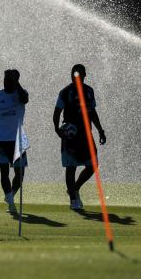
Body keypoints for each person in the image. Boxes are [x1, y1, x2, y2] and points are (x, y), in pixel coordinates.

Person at [53, 64, 107, 210]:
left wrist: (100, 130)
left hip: (86, 135)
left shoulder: (89, 91)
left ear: (84, 75)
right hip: (70, 136)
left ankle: (75, 188)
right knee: (71, 168)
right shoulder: (65, 92)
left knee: (93, 165)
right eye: (73, 74)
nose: (75, 76)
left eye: (78, 74)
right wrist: (57, 129)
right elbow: (57, 112)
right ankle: (73, 200)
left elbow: (92, 112)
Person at [0, 69, 29, 214]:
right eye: (5, 79)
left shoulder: (21, 95)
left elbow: (25, 99)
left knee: (20, 174)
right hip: (1, 140)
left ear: (16, 81)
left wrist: (16, 81)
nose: (6, 81)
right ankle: (11, 203)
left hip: (18, 140)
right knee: (4, 172)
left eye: (9, 79)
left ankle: (10, 194)